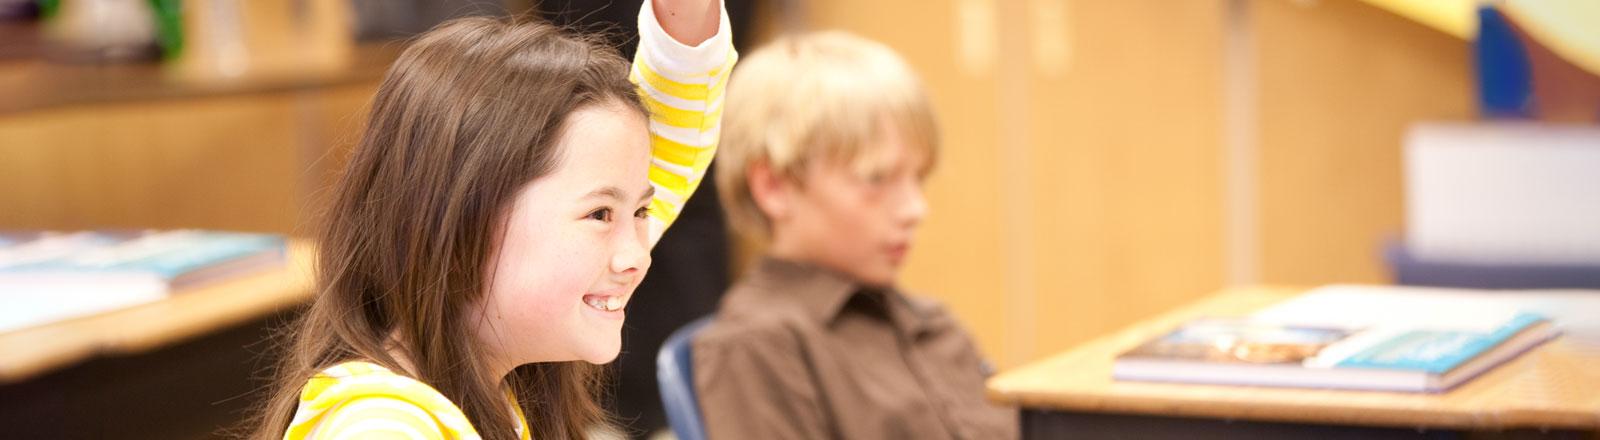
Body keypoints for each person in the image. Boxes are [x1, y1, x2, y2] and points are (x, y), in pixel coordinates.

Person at [248, 1, 735, 438]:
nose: (636, 255)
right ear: (464, 220)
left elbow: (671, 143)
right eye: (600, 214)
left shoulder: (485, 383)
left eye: (641, 211)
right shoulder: (382, 427)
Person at [694, 30, 1018, 439]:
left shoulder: (931, 322)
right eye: (875, 178)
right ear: (774, 187)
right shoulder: (755, 347)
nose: (915, 209)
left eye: (918, 178)